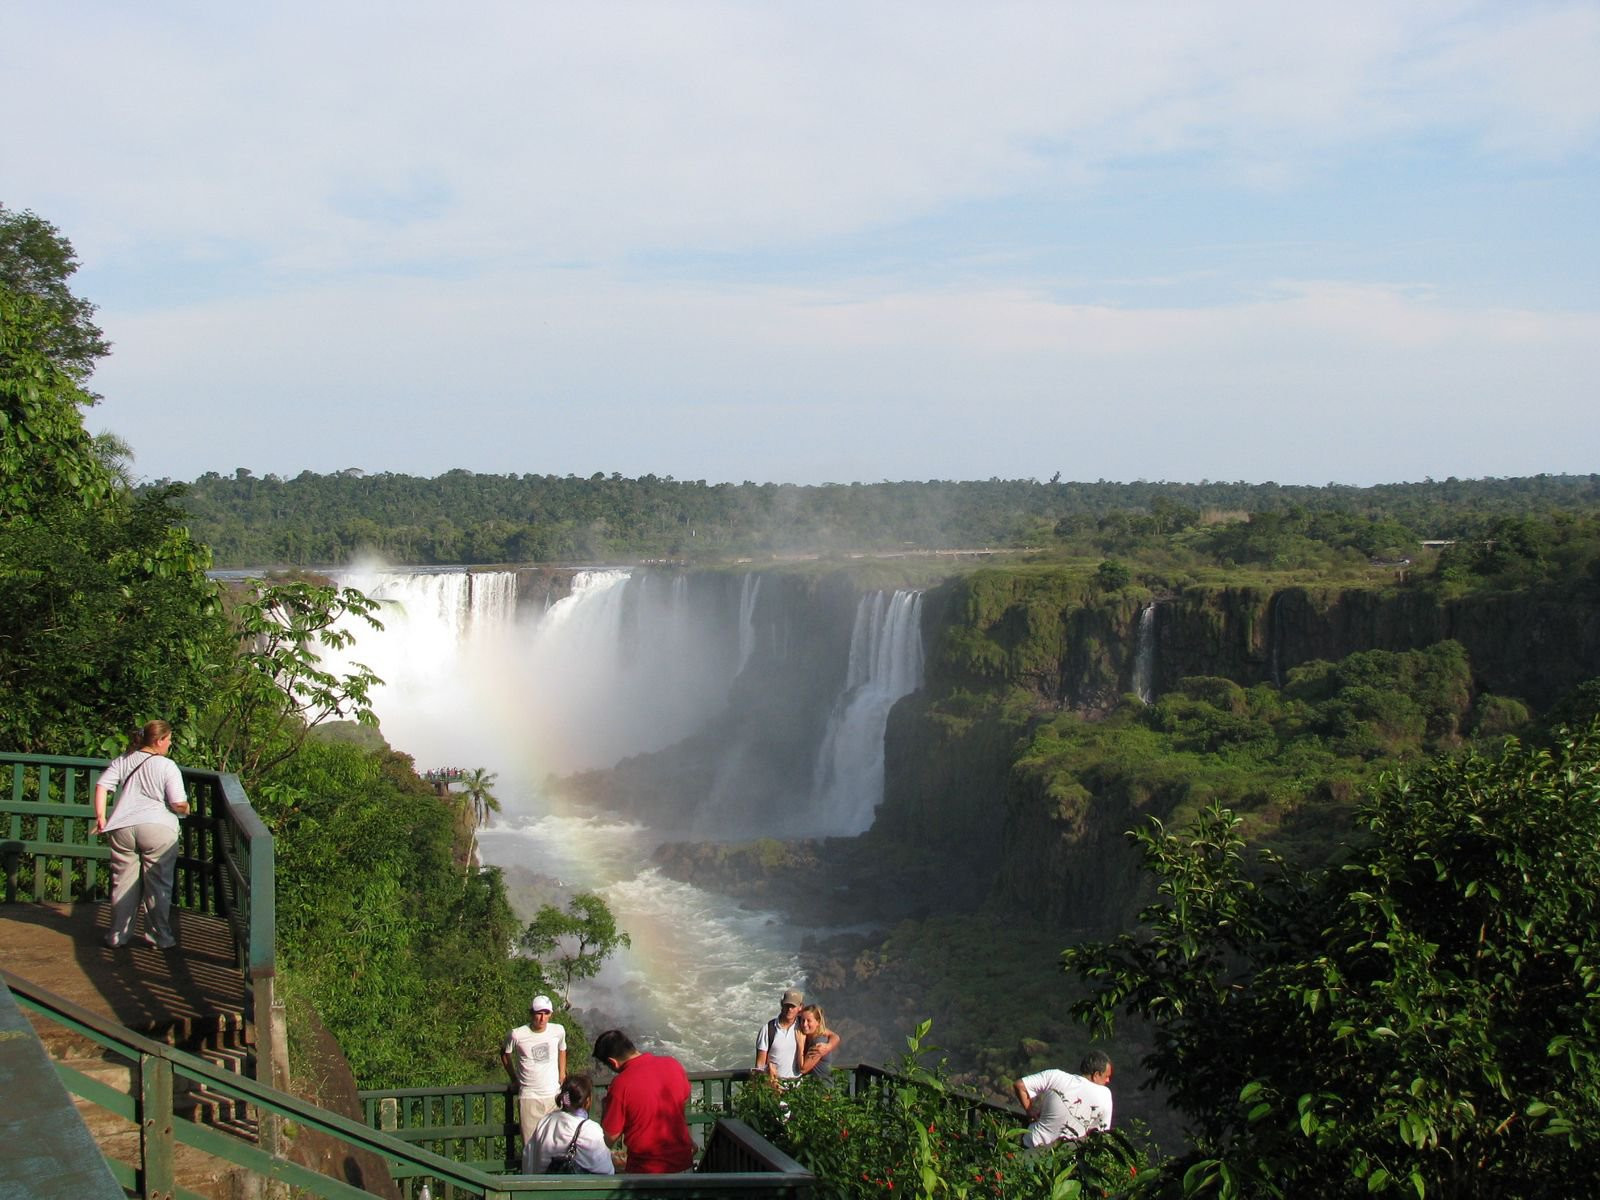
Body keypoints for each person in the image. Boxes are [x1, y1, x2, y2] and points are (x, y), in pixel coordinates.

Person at [92, 720, 190, 950]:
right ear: (158, 741)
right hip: (157, 828)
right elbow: (177, 803)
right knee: (159, 885)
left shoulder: (124, 760)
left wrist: (101, 817)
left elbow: (102, 786)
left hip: (122, 827)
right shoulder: (167, 766)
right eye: (168, 739)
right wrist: (186, 809)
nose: (170, 743)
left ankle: (117, 936)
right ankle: (160, 937)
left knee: (122, 883)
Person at [593, 1028, 694, 1173]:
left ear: (613, 1062)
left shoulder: (621, 1084)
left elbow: (610, 1138)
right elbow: (682, 1100)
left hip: (645, 1172)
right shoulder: (673, 1064)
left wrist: (605, 1109)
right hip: (684, 1166)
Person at [1012, 1051, 1114, 1147]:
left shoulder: (1055, 1076)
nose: (1108, 1080)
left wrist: (1030, 1111)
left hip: (1031, 1145)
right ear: (1096, 1075)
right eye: (1106, 1076)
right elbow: (1101, 1134)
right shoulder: (1105, 1095)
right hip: (1063, 1157)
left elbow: (1019, 1085)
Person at [502, 995, 568, 1145]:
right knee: (531, 1145)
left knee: (556, 1144)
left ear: (551, 1014)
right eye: (539, 1013)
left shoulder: (558, 1030)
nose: (542, 1018)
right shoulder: (517, 1034)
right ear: (531, 1013)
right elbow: (505, 1053)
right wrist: (514, 1079)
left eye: (546, 1013)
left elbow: (562, 1049)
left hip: (553, 1095)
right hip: (529, 1096)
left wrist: (562, 1073)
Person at [522, 1074, 613, 1175]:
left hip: (543, 1187)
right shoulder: (591, 1129)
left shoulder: (545, 1122)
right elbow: (607, 1171)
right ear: (587, 1101)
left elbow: (528, 1160)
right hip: (579, 1189)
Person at [755, 988, 804, 1081]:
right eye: (787, 1005)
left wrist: (829, 1045)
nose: (789, 1009)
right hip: (774, 1085)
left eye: (793, 1006)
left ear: (800, 1007)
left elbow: (825, 1033)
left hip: (797, 1085)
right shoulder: (768, 1029)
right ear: (782, 1004)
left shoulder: (804, 1026)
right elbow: (759, 1065)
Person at [793, 1003, 840, 1082]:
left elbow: (803, 1069)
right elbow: (834, 1035)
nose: (804, 1024)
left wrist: (800, 1045)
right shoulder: (809, 1033)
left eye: (809, 1021)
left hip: (821, 1089)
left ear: (818, 1022)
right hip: (811, 1086)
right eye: (803, 1020)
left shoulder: (818, 1042)